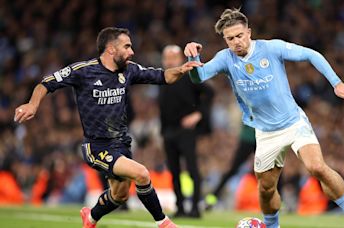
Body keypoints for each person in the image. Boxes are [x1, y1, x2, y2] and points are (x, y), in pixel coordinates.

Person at [184, 8, 344, 228]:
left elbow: (311, 54)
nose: (236, 42)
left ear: (249, 32)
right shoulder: (225, 59)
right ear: (225, 41)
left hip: (293, 122)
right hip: (265, 132)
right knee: (265, 189)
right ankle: (272, 226)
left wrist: (337, 83)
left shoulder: (270, 48)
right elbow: (199, 77)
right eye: (230, 39)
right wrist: (193, 58)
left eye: (239, 35)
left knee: (317, 167)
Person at [14, 27, 201, 228]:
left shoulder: (129, 70)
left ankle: (91, 218)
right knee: (142, 174)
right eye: (127, 46)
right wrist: (33, 104)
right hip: (96, 146)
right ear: (111, 49)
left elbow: (163, 76)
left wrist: (181, 70)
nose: (132, 51)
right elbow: (46, 83)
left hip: (121, 144)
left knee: (119, 196)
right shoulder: (84, 71)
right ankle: (163, 223)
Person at [159, 45, 214, 218]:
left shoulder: (189, 76)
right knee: (174, 171)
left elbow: (210, 92)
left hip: (186, 130)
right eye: (167, 57)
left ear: (180, 59)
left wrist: (198, 115)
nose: (169, 61)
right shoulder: (163, 77)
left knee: (192, 169)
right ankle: (180, 207)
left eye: (173, 57)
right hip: (168, 130)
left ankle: (195, 207)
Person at [205, 124, 255, 210]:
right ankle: (211, 199)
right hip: (249, 137)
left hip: (262, 138)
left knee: (273, 170)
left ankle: (278, 202)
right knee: (232, 170)